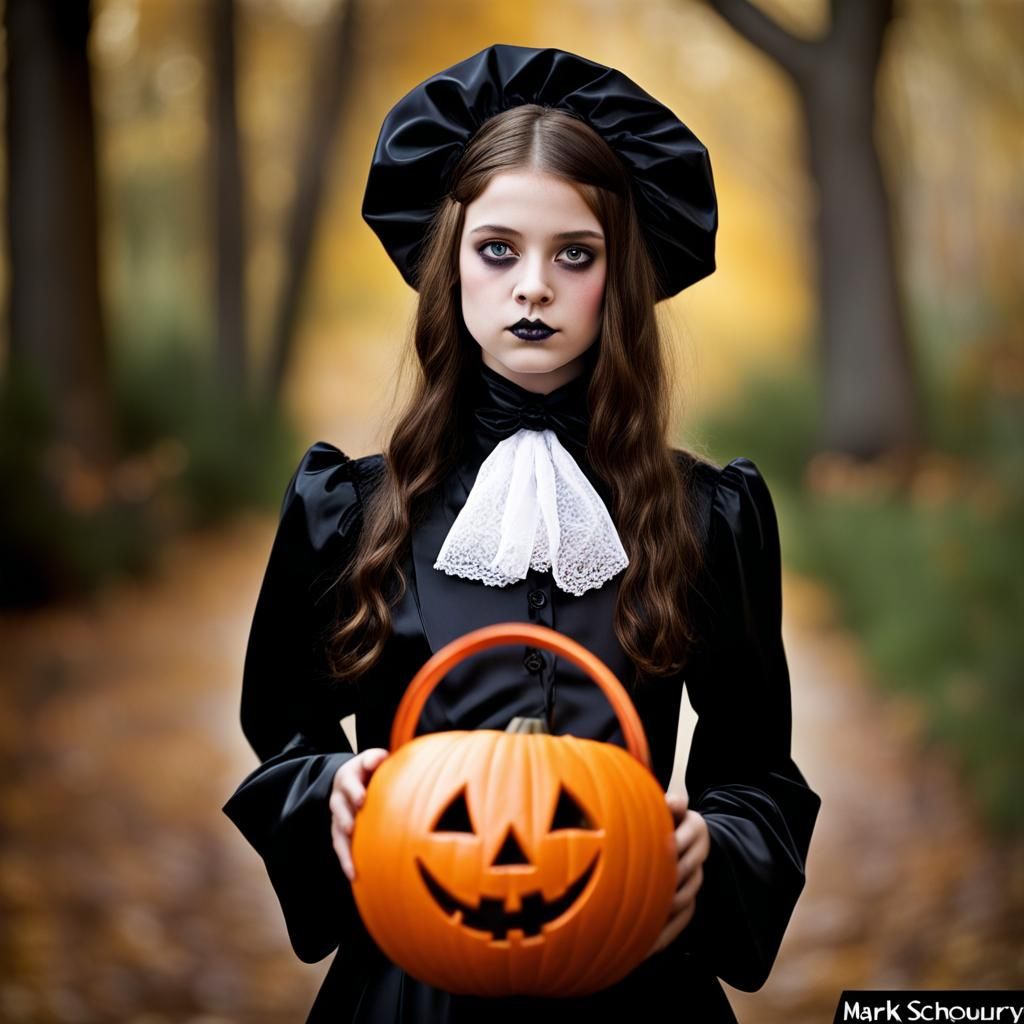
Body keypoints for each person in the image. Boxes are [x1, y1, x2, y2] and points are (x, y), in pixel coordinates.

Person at [222, 43, 822, 1023]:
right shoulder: (350, 514)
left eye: (573, 254)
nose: (532, 286)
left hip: (637, 972)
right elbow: (281, 725)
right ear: (450, 264)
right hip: (412, 979)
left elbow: (755, 764)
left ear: (615, 276)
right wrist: (328, 787)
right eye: (498, 249)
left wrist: (714, 847)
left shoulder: (707, 519)